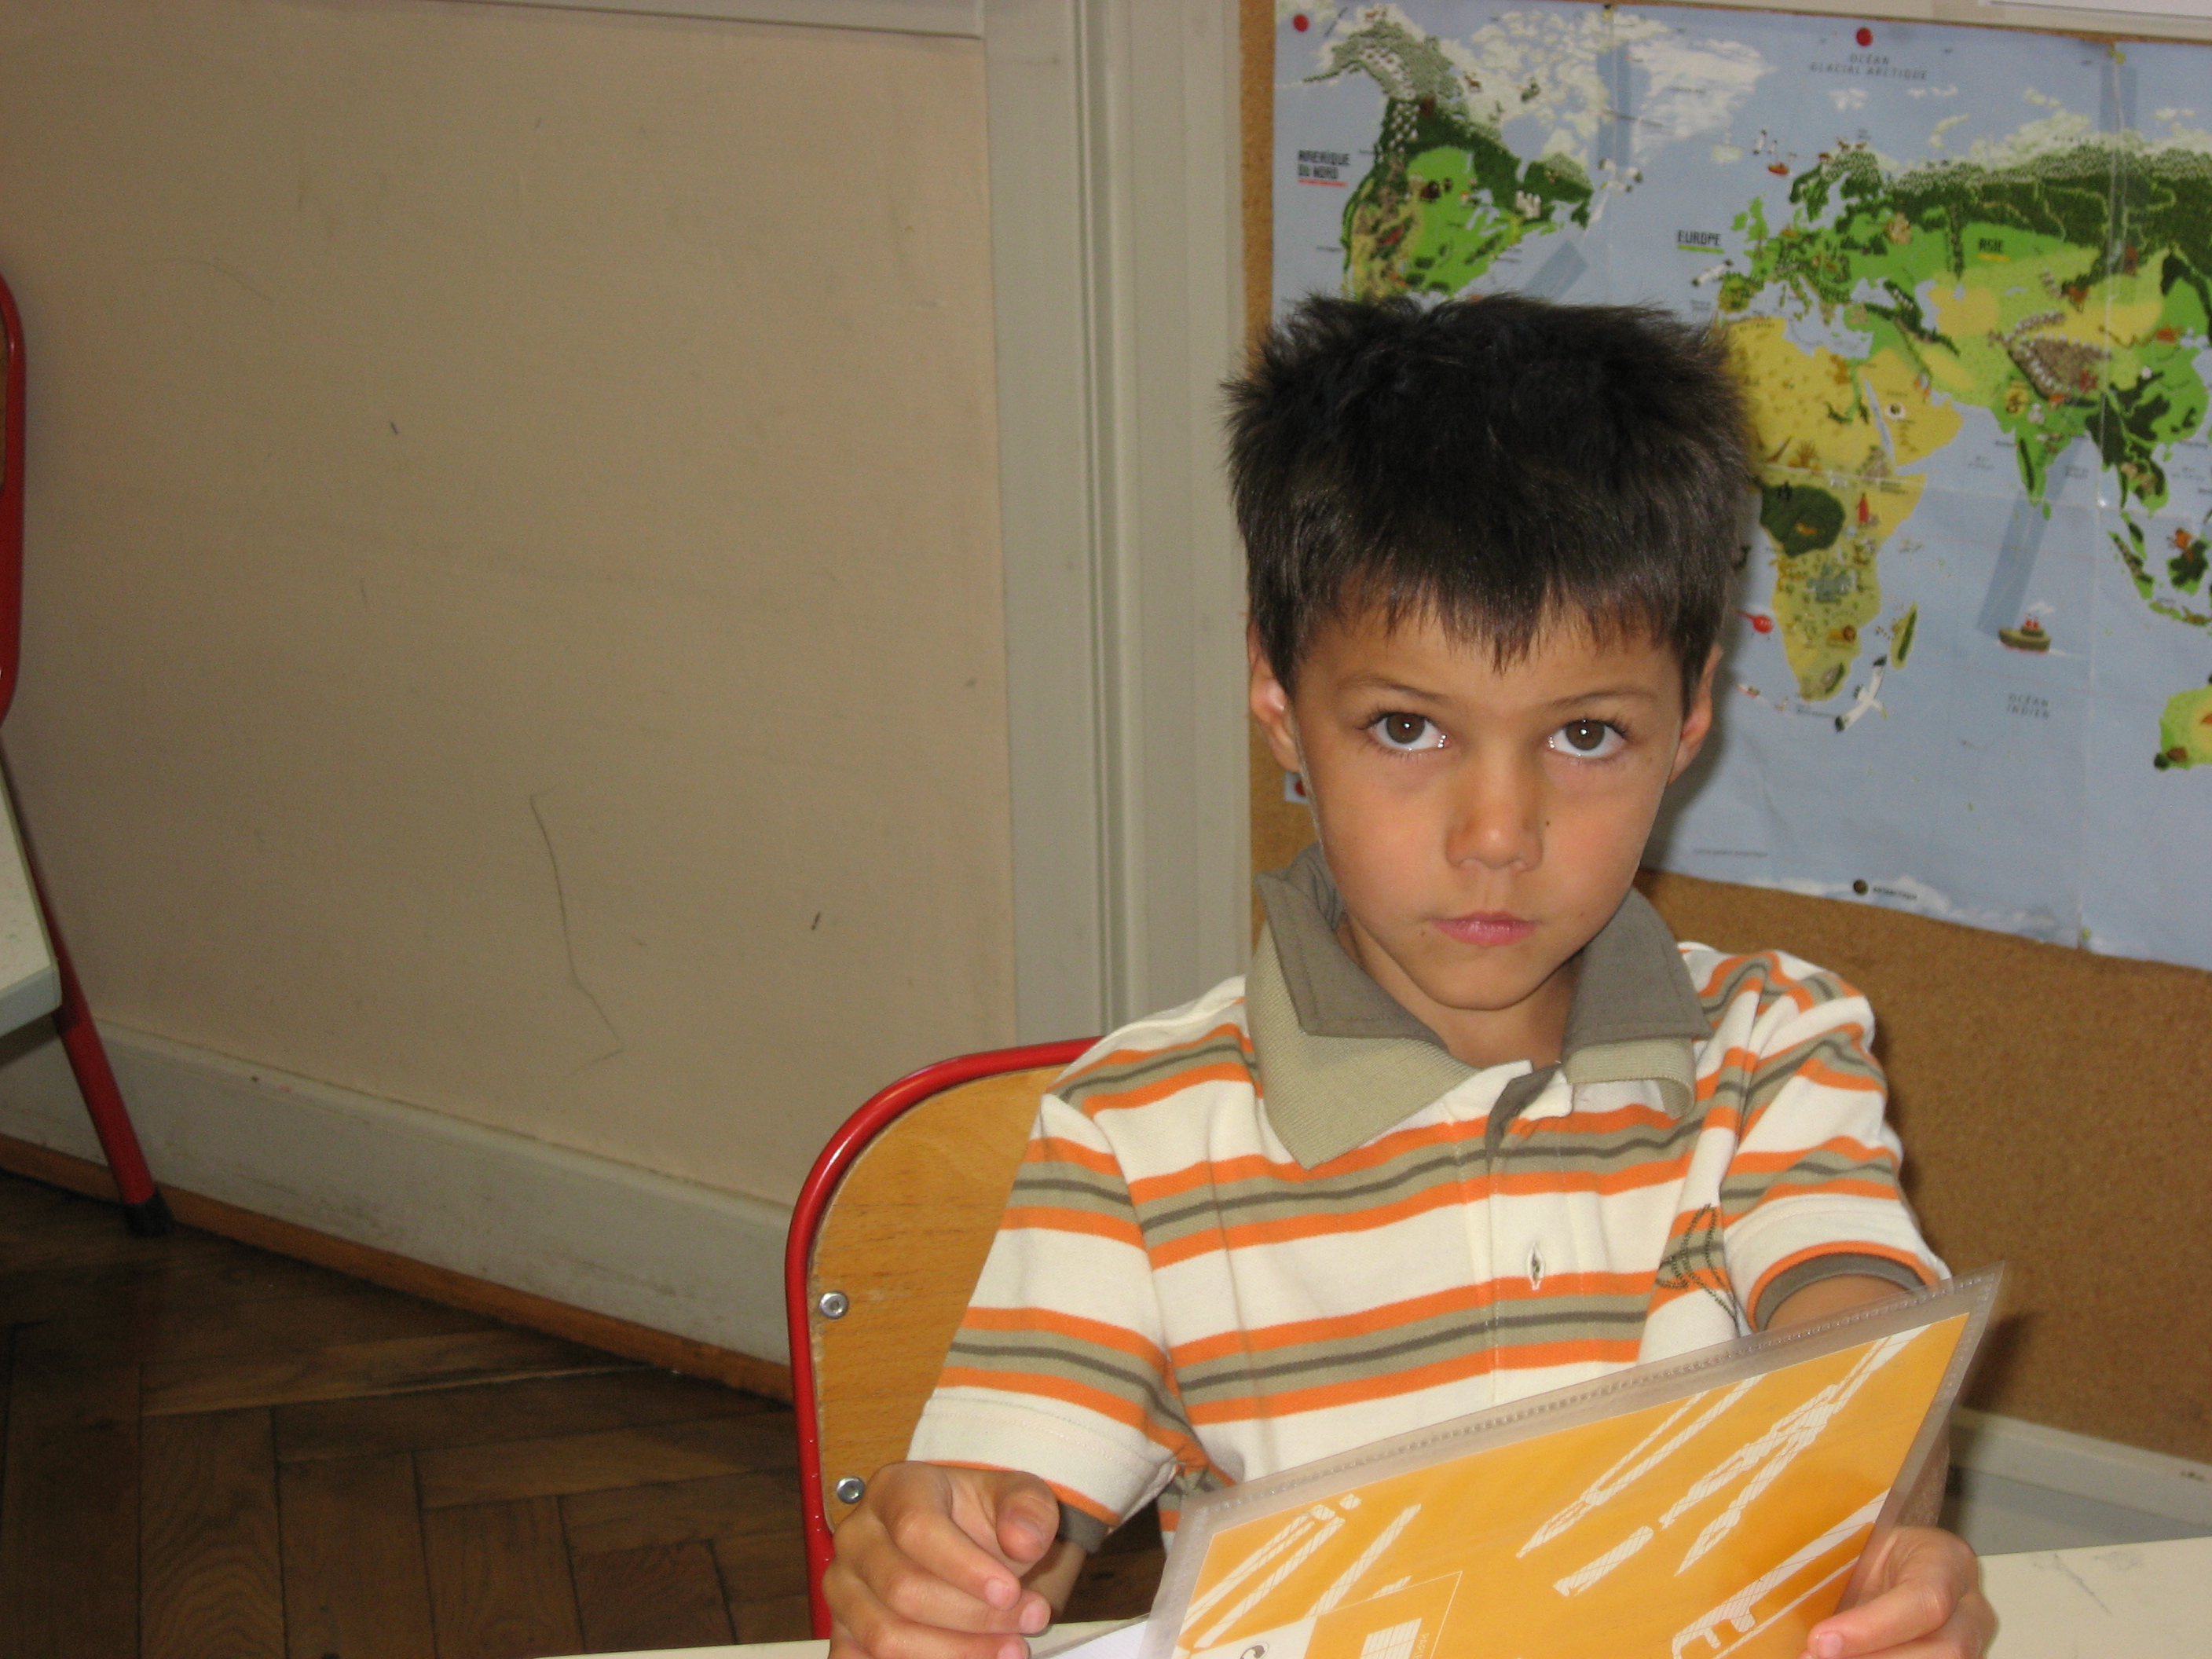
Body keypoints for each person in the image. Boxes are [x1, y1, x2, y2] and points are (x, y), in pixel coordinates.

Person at [826, 295, 1992, 1659]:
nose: (1497, 834)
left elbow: (1861, 1355)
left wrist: (1880, 1541)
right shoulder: (1134, 1138)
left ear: (1689, 717)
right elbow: (1005, 1503)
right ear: (1278, 698)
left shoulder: (1775, 1048)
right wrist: (945, 1566)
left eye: (1585, 736)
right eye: (1406, 727)